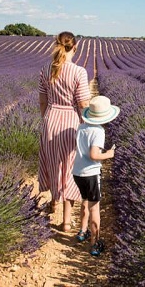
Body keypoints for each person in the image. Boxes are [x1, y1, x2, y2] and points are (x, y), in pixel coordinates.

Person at [38, 31, 91, 232]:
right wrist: (86, 125)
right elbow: (84, 103)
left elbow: (43, 101)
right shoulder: (79, 72)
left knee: (53, 163)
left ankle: (53, 202)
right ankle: (66, 221)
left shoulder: (46, 69)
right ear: (75, 48)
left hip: (51, 120)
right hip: (71, 122)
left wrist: (46, 119)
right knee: (70, 168)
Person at [72, 95, 119, 256]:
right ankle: (95, 243)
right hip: (91, 173)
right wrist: (109, 155)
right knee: (94, 209)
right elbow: (93, 155)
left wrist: (100, 152)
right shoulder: (99, 131)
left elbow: (83, 148)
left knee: (84, 201)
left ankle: (82, 231)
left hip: (77, 172)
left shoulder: (81, 127)